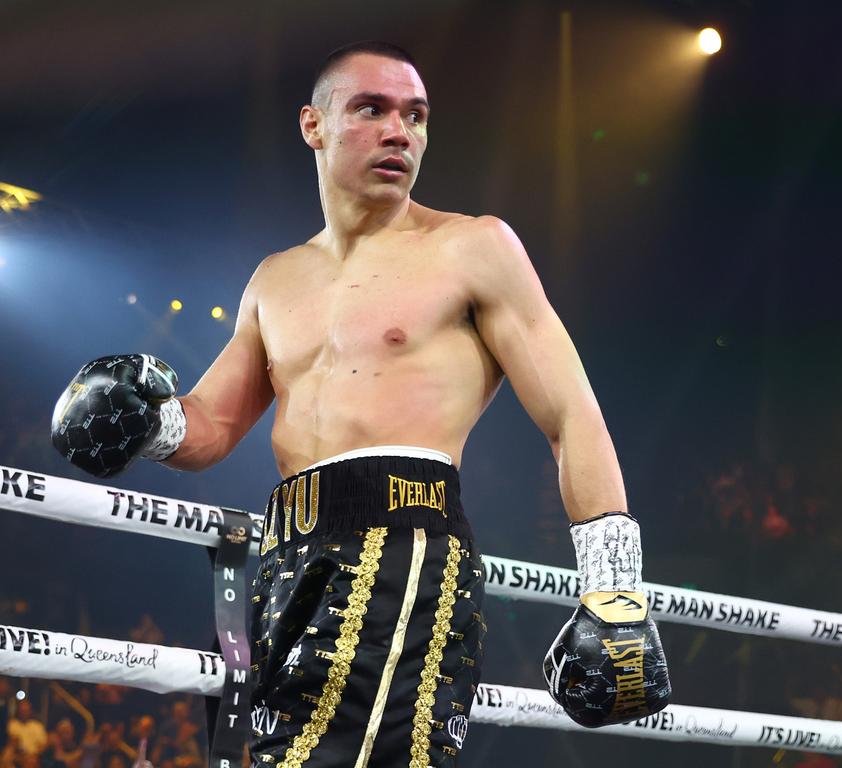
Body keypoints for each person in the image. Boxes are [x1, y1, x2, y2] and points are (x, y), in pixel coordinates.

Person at [51, 40, 670, 766]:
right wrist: (140, 423)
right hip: (287, 562)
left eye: (416, 115)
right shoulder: (274, 281)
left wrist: (616, 589)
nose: (399, 131)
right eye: (372, 109)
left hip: (403, 550)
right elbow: (212, 427)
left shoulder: (472, 248)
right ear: (314, 125)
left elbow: (574, 415)